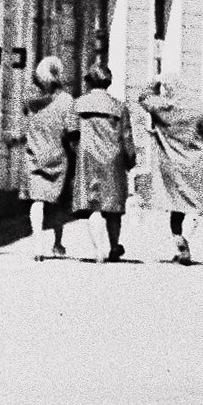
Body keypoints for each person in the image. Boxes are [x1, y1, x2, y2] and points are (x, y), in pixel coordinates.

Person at [140, 75, 203, 266]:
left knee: (176, 207)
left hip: (169, 164)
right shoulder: (198, 108)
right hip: (194, 164)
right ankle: (186, 239)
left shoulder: (161, 108)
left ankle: (178, 240)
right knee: (196, 208)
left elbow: (142, 97)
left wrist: (156, 81)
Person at [71, 63, 135, 262]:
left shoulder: (79, 105)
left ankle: (99, 250)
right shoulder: (118, 107)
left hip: (87, 158)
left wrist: (77, 152)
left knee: (93, 204)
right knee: (113, 206)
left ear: (89, 81)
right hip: (113, 160)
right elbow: (126, 137)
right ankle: (114, 246)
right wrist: (130, 159)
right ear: (108, 82)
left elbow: (72, 134)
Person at [21, 56, 79, 258]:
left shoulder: (30, 100)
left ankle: (37, 245)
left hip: (35, 154)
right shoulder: (66, 100)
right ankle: (57, 243)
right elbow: (72, 130)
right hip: (57, 155)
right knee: (58, 202)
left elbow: (26, 122)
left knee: (37, 200)